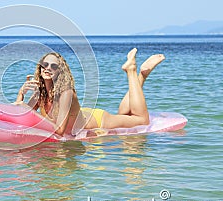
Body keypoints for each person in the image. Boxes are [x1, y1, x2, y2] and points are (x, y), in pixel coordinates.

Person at [15, 48, 165, 136]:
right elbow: (22, 113)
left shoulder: (66, 93)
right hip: (81, 115)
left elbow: (60, 130)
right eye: (44, 64)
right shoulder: (40, 92)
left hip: (98, 120)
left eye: (53, 66)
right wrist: (21, 94)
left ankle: (135, 72)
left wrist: (27, 108)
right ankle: (137, 74)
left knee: (141, 119)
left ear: (59, 72)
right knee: (124, 115)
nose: (47, 68)